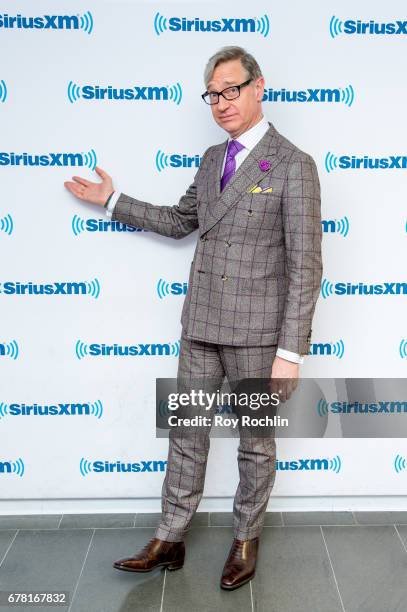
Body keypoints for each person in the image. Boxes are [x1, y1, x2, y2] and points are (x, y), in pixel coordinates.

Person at [64, 45, 323, 591]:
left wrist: (290, 352)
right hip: (200, 325)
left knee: (256, 443)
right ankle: (170, 538)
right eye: (212, 94)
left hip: (259, 336)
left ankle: (246, 539)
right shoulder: (211, 160)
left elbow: (305, 264)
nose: (222, 102)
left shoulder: (293, 164)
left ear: (258, 87)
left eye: (231, 89)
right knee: (186, 434)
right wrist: (114, 201)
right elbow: (181, 219)